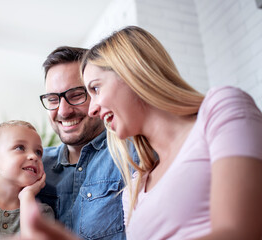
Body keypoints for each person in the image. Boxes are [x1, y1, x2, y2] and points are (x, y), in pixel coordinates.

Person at [79, 26, 262, 239]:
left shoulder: (220, 109)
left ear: (131, 72)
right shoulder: (134, 189)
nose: (92, 110)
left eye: (96, 89)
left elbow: (241, 231)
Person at [0, 46, 132, 239]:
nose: (63, 111)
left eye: (76, 95)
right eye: (53, 99)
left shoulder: (130, 153)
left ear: (96, 93)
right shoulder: (34, 166)